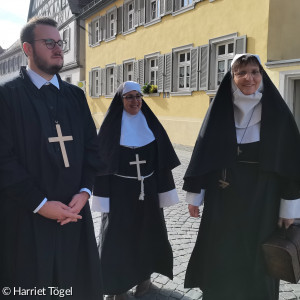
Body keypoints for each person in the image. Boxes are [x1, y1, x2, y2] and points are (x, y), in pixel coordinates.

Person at [0, 17, 103, 300]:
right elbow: (3, 160)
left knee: (75, 288)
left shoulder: (75, 96)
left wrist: (84, 192)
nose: (58, 49)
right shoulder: (6, 97)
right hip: (27, 219)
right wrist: (40, 204)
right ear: (27, 49)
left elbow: (91, 150)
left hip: (73, 215)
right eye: (49, 43)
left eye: (60, 43)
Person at [183, 54, 300, 300]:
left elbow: (291, 163)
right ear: (232, 78)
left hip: (263, 198)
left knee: (257, 254)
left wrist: (289, 208)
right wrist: (196, 194)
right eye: (242, 72)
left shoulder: (277, 113)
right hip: (223, 198)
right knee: (221, 250)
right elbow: (204, 154)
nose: (249, 78)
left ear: (262, 75)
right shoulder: (220, 112)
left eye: (255, 72)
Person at [92, 81, 180, 300]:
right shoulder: (112, 128)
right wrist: (102, 197)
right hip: (120, 194)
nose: (135, 101)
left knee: (147, 235)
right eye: (129, 97)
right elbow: (102, 166)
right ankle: (117, 286)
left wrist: (164, 192)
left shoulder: (151, 125)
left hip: (147, 192)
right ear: (120, 101)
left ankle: (144, 279)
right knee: (117, 238)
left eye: (138, 96)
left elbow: (162, 162)